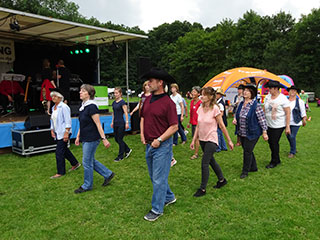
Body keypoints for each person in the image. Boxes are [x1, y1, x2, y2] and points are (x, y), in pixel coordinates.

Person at [140, 67, 178, 221]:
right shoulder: (148, 99)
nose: (148, 83)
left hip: (162, 145)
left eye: (151, 81)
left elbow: (174, 126)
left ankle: (157, 209)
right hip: (149, 144)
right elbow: (143, 118)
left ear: (160, 83)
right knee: (154, 176)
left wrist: (159, 140)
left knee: (158, 178)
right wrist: (143, 134)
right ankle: (169, 196)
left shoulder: (168, 103)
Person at [190, 87, 233, 197]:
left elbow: (222, 126)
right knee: (211, 161)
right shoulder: (200, 108)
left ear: (210, 97)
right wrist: (194, 139)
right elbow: (198, 126)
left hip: (212, 139)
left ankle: (202, 189)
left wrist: (229, 141)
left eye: (204, 95)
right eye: (201, 94)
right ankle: (222, 180)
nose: (201, 96)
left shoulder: (215, 109)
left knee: (204, 163)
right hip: (203, 139)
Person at [74, 84, 114, 194]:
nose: (80, 92)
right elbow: (82, 124)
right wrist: (78, 136)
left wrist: (104, 139)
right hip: (85, 137)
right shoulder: (83, 106)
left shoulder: (92, 106)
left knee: (86, 162)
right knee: (90, 160)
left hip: (92, 138)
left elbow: (98, 124)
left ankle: (87, 185)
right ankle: (108, 174)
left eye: (82, 91)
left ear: (89, 93)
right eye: (80, 90)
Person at [232, 84, 268, 179]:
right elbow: (237, 114)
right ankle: (254, 167)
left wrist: (264, 132)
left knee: (247, 152)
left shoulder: (256, 105)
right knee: (248, 150)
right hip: (242, 132)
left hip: (253, 132)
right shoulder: (241, 103)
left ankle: (245, 171)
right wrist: (235, 119)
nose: (245, 92)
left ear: (252, 93)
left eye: (247, 90)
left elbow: (262, 119)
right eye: (244, 90)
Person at [49, 88, 80, 179]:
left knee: (59, 152)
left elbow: (68, 121)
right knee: (64, 149)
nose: (53, 97)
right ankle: (75, 163)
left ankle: (60, 172)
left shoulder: (64, 107)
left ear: (60, 97)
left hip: (64, 132)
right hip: (57, 132)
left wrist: (66, 132)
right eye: (52, 96)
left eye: (55, 96)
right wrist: (52, 130)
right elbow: (52, 120)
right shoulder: (53, 107)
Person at [264, 80, 291, 169]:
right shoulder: (267, 97)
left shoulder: (283, 99)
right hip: (268, 124)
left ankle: (274, 161)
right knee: (271, 142)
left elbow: (288, 113)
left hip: (278, 125)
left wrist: (287, 127)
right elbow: (265, 109)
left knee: (274, 142)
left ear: (276, 89)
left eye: (270, 88)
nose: (269, 90)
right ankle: (277, 159)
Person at [111, 87, 132, 162]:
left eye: (117, 93)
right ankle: (127, 149)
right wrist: (112, 122)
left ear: (120, 94)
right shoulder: (113, 103)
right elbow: (113, 113)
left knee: (120, 139)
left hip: (121, 123)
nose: (115, 94)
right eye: (114, 93)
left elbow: (126, 113)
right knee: (116, 139)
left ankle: (120, 156)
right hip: (116, 123)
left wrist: (127, 122)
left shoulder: (122, 102)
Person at [286, 86, 307, 158]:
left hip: (296, 122)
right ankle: (294, 147)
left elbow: (303, 111)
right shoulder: (285, 100)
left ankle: (292, 152)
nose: (292, 92)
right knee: (288, 136)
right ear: (288, 92)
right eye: (291, 90)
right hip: (286, 122)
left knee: (292, 136)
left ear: (296, 93)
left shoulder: (299, 101)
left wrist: (304, 119)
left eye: (294, 91)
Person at [187, 86, 202, 160]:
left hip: (199, 123)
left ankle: (196, 154)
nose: (192, 93)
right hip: (193, 123)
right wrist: (189, 122)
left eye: (194, 92)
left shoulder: (200, 103)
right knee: (196, 138)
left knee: (197, 138)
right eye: (192, 91)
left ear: (199, 94)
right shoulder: (192, 102)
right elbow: (191, 113)